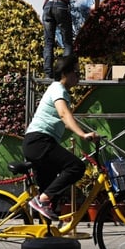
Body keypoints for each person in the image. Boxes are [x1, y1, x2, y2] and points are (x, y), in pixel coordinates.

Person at [23, 54, 99, 220]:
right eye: (77, 73)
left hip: (39, 142)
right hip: (39, 141)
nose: (79, 77)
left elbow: (65, 122)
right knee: (76, 167)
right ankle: (42, 200)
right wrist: (83, 134)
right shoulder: (58, 88)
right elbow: (64, 115)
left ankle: (45, 238)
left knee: (51, 195)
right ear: (65, 73)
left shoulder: (60, 91)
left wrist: (84, 134)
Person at [42, 0, 100, 78]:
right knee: (67, 43)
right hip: (60, 7)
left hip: (47, 8)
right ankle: (64, 72)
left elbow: (46, 4)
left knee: (48, 42)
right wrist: (96, 7)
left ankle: (48, 74)